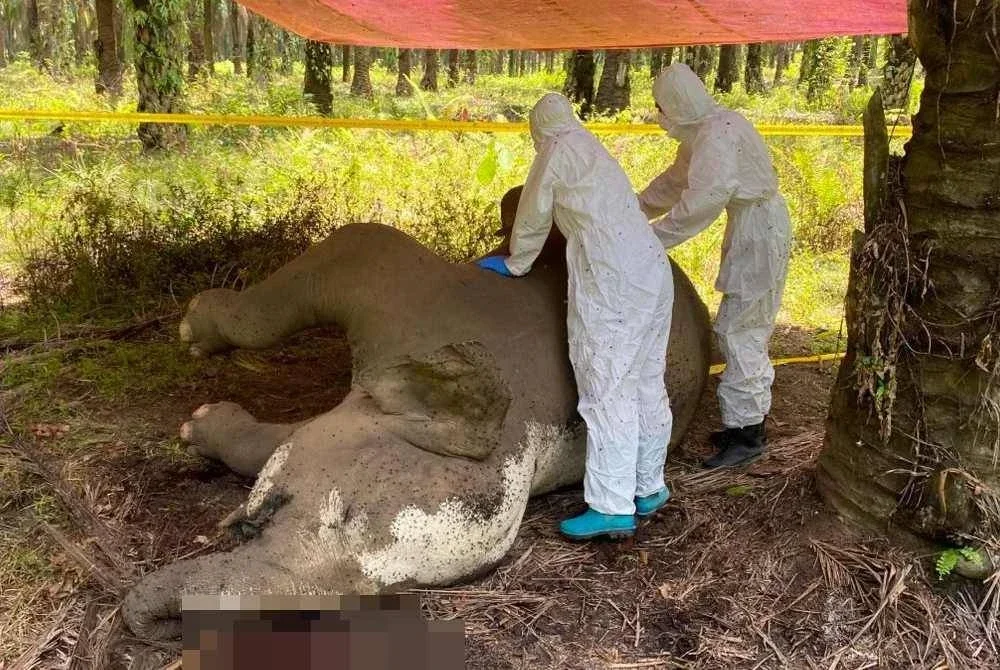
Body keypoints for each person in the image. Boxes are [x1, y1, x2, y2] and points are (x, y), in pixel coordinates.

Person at [477, 92, 674, 541]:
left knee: (607, 388)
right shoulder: (591, 146)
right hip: (650, 266)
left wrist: (516, 262)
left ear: (538, 128)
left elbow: (533, 213)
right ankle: (649, 487)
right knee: (647, 380)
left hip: (611, 274)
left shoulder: (555, 150)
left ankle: (611, 505)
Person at [638, 63, 791, 469]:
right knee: (737, 324)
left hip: (760, 230)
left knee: (742, 329)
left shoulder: (717, 136)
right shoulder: (705, 132)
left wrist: (649, 240)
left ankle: (747, 434)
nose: (660, 115)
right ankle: (743, 423)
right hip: (751, 226)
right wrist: (633, 210)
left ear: (678, 103)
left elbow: (701, 201)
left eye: (662, 107)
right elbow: (675, 183)